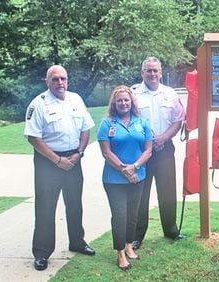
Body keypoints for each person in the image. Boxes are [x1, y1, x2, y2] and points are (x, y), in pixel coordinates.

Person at [24, 65, 96, 271]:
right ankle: (42, 252)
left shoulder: (76, 99)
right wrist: (57, 160)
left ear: (67, 80)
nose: (60, 83)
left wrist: (79, 153)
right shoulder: (38, 104)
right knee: (46, 208)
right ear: (47, 81)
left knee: (74, 203)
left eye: (63, 78)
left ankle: (77, 242)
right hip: (48, 162)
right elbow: (33, 137)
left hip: (74, 158)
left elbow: (85, 128)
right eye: (55, 79)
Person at [131, 57, 186, 249]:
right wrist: (147, 141)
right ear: (142, 72)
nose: (152, 74)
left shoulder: (170, 94)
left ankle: (171, 230)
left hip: (165, 149)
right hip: (141, 151)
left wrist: (163, 138)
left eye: (155, 70)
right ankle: (137, 235)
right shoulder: (134, 94)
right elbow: (128, 120)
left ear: (161, 73)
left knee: (168, 191)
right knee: (140, 193)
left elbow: (178, 120)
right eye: (148, 70)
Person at [97, 85, 153, 270]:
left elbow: (148, 150)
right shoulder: (107, 123)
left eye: (126, 100)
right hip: (114, 179)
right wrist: (125, 170)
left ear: (131, 102)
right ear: (114, 102)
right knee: (120, 215)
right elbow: (106, 152)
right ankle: (120, 252)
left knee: (132, 214)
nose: (123, 103)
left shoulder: (142, 122)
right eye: (119, 100)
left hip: (138, 176)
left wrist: (135, 167)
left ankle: (129, 245)